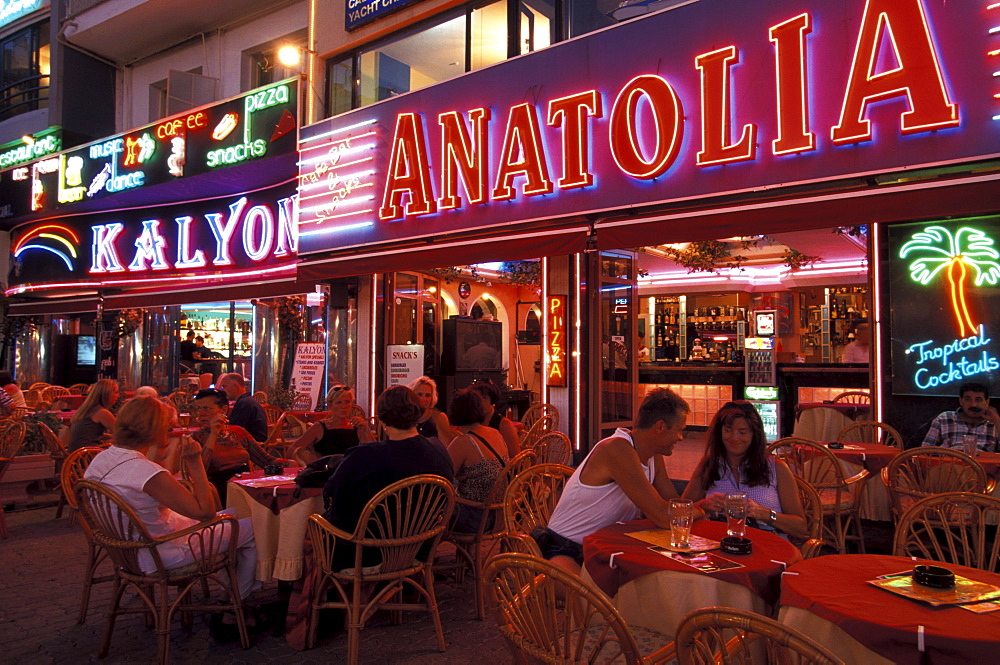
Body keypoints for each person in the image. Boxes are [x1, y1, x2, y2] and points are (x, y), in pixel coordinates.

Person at [83, 396, 259, 604]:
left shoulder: (103, 459)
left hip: (129, 549)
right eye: (168, 425)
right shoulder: (146, 472)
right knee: (256, 527)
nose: (171, 428)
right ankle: (237, 601)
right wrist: (195, 463)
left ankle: (232, 587)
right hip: (161, 552)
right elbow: (205, 513)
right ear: (155, 429)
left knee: (237, 514)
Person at [539, 387, 700, 574]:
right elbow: (663, 516)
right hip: (565, 550)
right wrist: (702, 509)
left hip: (605, 551)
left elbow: (673, 504)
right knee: (605, 601)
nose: (680, 438)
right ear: (660, 427)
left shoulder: (653, 456)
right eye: (680, 431)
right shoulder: (617, 449)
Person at [323, 386, 454, 570]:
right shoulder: (440, 451)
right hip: (419, 549)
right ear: (418, 414)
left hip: (366, 554)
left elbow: (331, 496)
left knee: (313, 530)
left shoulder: (363, 456)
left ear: (382, 418)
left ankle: (314, 594)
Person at [683, 401, 807, 539]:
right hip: (719, 542)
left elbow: (801, 528)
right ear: (719, 433)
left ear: (754, 434)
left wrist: (762, 513)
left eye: (742, 432)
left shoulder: (776, 467)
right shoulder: (709, 465)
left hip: (767, 543)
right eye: (728, 430)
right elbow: (681, 513)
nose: (734, 438)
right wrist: (703, 506)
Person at [189, 388, 291, 502]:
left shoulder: (238, 431)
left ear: (223, 410)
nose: (201, 414)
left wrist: (290, 464)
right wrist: (213, 434)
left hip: (247, 484)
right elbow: (199, 471)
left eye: (206, 409)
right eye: (199, 409)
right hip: (220, 491)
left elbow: (265, 460)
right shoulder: (196, 438)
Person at [447, 388, 509, 532]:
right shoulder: (494, 433)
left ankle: (420, 552)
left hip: (476, 518)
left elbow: (444, 476)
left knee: (427, 509)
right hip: (501, 514)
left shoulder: (463, 441)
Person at [288, 384, 374, 464]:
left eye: (347, 402)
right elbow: (293, 449)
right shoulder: (320, 427)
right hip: (325, 474)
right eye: (339, 402)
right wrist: (311, 462)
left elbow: (374, 451)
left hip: (349, 472)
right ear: (330, 405)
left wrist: (366, 429)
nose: (343, 406)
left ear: (351, 404)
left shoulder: (355, 427)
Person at [921, 382, 1000, 452]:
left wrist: (997, 421)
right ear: (961, 401)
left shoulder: (995, 423)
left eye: (978, 400)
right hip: (947, 464)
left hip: (981, 466)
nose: (973, 404)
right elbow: (925, 449)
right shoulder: (944, 418)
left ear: (987, 402)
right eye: (968, 399)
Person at [466, 380, 520, 457]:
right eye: (477, 399)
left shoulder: (504, 424)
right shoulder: (472, 421)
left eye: (484, 398)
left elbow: (515, 458)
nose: (480, 402)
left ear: (492, 400)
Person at [67, 379, 119, 451]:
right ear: (106, 394)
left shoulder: (87, 409)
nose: (118, 396)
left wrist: (110, 436)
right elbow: (122, 432)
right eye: (115, 392)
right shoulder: (102, 412)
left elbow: (90, 434)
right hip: (87, 455)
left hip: (75, 453)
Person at [218, 373, 268, 442]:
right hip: (256, 442)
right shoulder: (249, 401)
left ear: (235, 386)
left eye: (224, 386)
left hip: (252, 446)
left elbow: (233, 431)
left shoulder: (244, 404)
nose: (223, 390)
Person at [407, 376, 457, 444]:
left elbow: (447, 444)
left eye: (428, 395)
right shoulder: (405, 417)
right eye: (420, 394)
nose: (424, 399)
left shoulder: (439, 417)